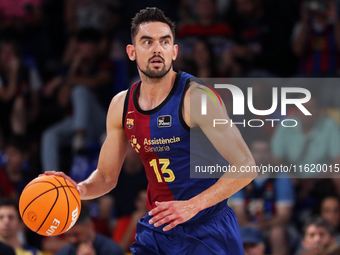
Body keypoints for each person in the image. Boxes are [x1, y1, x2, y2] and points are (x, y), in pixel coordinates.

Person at [44, 7, 256, 255]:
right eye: (147, 42)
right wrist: (79, 190)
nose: (157, 49)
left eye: (165, 42)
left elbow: (246, 165)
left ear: (174, 51)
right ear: (132, 52)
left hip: (206, 227)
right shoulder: (121, 105)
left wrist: (192, 206)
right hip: (159, 229)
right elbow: (106, 177)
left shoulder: (197, 98)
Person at [231, 137, 295, 254]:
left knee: (278, 234)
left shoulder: (281, 176)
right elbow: (238, 214)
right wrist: (250, 226)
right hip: (246, 226)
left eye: (265, 151)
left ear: (271, 154)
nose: (261, 155)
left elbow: (284, 216)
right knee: (231, 233)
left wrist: (261, 226)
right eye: (257, 151)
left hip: (272, 227)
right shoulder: (239, 177)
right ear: (249, 153)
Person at [56, 205, 124, 255]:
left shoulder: (112, 251)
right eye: (68, 235)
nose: (72, 240)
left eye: (77, 234)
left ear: (90, 226)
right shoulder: (64, 252)